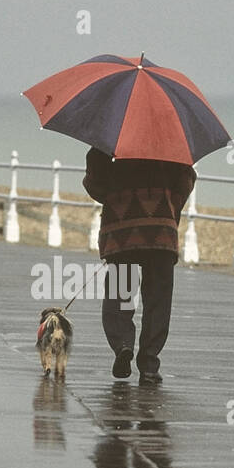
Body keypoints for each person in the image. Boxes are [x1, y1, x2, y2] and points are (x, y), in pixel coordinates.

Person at [82, 147, 196, 384]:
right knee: (158, 301)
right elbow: (186, 181)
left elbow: (95, 182)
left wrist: (117, 195)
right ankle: (149, 364)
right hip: (161, 230)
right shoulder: (170, 141)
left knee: (119, 295)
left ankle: (123, 344)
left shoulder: (113, 135)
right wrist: (167, 206)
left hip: (121, 231)